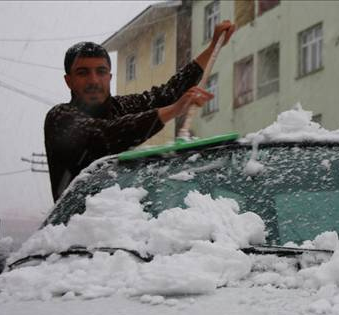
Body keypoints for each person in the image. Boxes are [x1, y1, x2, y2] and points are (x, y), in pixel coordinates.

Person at [44, 21, 235, 202]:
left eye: (101, 71)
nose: (94, 80)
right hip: (77, 230)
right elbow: (104, 136)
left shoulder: (122, 107)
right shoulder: (59, 118)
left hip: (124, 226)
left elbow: (167, 93)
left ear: (110, 77)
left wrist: (212, 49)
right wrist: (174, 110)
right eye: (83, 72)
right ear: (68, 80)